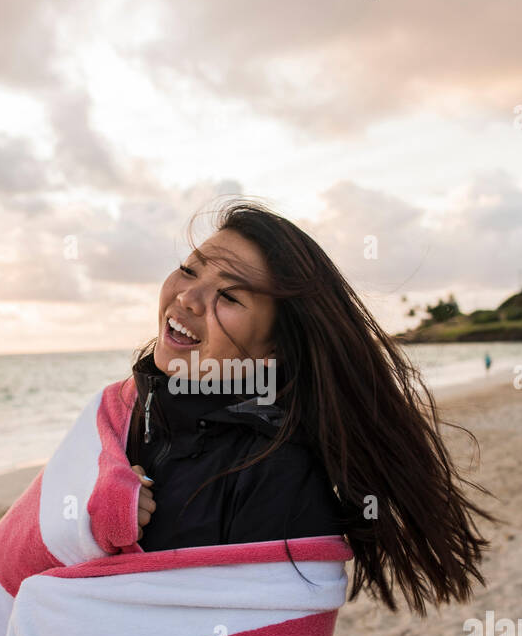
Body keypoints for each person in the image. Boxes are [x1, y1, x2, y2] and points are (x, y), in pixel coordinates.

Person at [121, 199, 493, 614]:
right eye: (190, 269)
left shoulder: (278, 475)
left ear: (276, 345)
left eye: (228, 295)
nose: (188, 296)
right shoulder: (124, 417)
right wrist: (94, 516)